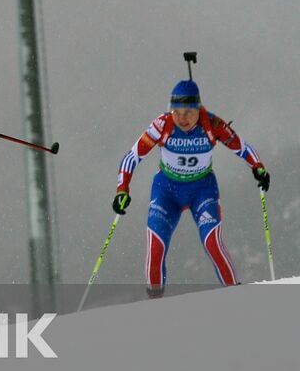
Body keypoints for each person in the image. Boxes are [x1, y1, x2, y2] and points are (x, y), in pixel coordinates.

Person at [114, 78, 270, 297]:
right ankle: (154, 305)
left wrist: (258, 168)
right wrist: (122, 189)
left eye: (188, 112)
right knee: (155, 250)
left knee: (213, 244)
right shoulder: (162, 125)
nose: (182, 118)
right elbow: (133, 156)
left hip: (202, 191)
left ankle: (237, 295)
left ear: (198, 109)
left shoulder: (212, 124)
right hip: (167, 192)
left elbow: (241, 148)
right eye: (176, 112)